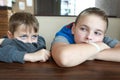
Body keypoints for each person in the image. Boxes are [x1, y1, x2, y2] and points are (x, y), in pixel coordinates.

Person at [51, 7, 120, 67]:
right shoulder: (64, 36)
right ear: (73, 29)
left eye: (96, 33)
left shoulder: (101, 39)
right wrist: (99, 47)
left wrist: (90, 54)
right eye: (83, 29)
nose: (89, 37)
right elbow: (64, 58)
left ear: (103, 36)